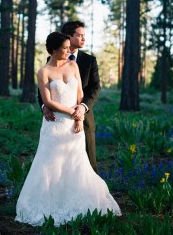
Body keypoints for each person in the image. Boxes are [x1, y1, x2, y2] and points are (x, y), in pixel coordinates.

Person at [16, 32, 120, 227]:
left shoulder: (73, 65)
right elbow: (48, 101)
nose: (69, 50)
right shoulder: (44, 72)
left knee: (76, 164)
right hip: (55, 125)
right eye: (64, 48)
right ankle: (48, 205)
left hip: (74, 124)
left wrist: (79, 114)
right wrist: (73, 112)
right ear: (54, 50)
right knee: (52, 165)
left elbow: (80, 93)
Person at [38, 20, 101, 172]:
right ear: (68, 37)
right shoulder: (51, 62)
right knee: (57, 164)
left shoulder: (89, 60)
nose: (83, 39)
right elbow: (43, 90)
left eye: (84, 35)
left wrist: (81, 109)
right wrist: (44, 106)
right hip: (57, 120)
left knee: (88, 164)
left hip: (82, 118)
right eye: (79, 35)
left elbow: (94, 87)